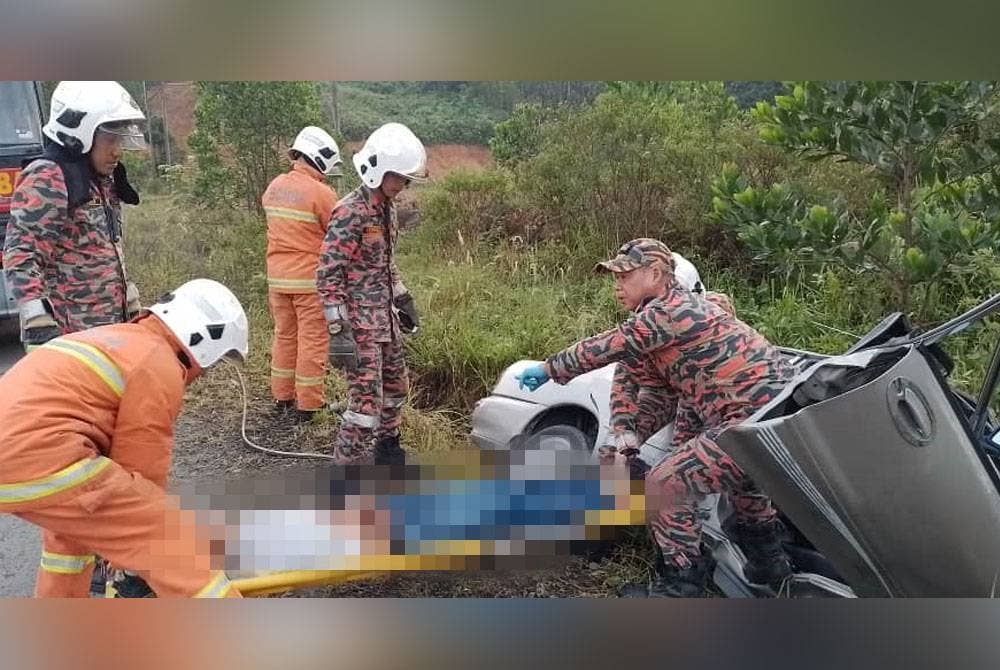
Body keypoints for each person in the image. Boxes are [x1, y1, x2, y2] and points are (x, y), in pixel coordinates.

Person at [517, 238, 795, 597]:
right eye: (615, 278)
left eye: (625, 276)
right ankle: (770, 568)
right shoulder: (675, 316)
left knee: (665, 485)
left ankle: (682, 588)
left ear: (656, 273)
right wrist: (625, 439)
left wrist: (549, 368)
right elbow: (644, 386)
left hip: (747, 419)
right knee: (743, 483)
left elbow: (608, 345)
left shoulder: (669, 312)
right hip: (767, 421)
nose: (617, 286)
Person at [0, 278, 248, 598]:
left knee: (72, 538)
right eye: (213, 363)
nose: (204, 373)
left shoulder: (120, 340)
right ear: (204, 339)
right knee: (166, 537)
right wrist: (136, 555)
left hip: (27, 455)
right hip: (41, 455)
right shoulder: (157, 363)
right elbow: (142, 469)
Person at [3, 80, 147, 352]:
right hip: (70, 340)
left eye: (120, 140)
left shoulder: (103, 179)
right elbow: (21, 252)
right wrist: (38, 319)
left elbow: (103, 248)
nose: (117, 150)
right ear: (79, 133)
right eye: (110, 139)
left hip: (111, 331)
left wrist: (128, 297)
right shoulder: (49, 176)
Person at [316, 122, 425, 466]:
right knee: (365, 407)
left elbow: (385, 264)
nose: (404, 185)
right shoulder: (351, 211)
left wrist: (404, 299)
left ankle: (387, 451)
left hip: (385, 321)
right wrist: (338, 331)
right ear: (379, 171)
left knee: (396, 390)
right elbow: (328, 274)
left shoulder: (387, 208)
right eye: (400, 177)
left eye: (407, 179)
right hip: (359, 326)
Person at [262, 126, 342, 422]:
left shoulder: (274, 186)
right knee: (312, 341)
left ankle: (282, 397)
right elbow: (335, 232)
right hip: (308, 282)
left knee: (284, 336)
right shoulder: (321, 193)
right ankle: (309, 405)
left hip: (277, 280)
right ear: (320, 158)